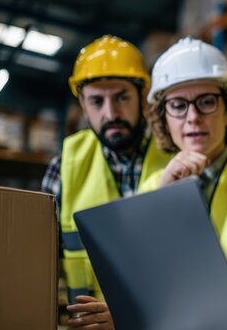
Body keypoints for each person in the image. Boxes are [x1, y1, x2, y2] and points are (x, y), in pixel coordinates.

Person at [64, 37, 227, 329]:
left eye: (206, 102)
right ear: (163, 118)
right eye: (178, 105)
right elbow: (145, 284)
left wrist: (196, 318)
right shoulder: (154, 185)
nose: (192, 117)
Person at [40, 35, 172, 328]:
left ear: (142, 97)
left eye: (122, 97)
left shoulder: (176, 159)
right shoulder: (63, 168)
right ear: (83, 105)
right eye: (97, 101)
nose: (110, 113)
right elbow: (37, 266)